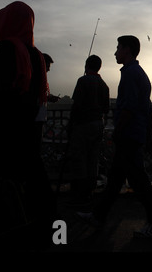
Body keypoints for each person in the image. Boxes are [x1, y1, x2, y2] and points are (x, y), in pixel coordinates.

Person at [77, 36, 152, 237]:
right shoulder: (139, 73)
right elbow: (145, 109)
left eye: (118, 48)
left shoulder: (129, 74)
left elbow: (129, 108)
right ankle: (98, 216)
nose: (115, 52)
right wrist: (148, 136)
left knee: (138, 180)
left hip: (128, 134)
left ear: (127, 50)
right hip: (135, 133)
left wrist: (118, 132)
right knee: (116, 179)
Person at [0, 1, 56, 250]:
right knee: (29, 174)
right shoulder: (35, 54)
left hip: (8, 127)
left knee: (3, 178)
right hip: (29, 128)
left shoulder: (6, 47)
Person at [65, 55, 110, 210]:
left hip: (83, 124)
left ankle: (79, 194)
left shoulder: (83, 81)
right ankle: (90, 192)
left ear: (86, 65)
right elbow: (106, 108)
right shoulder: (104, 85)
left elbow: (76, 105)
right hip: (98, 124)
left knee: (79, 159)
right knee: (93, 159)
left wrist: (71, 125)